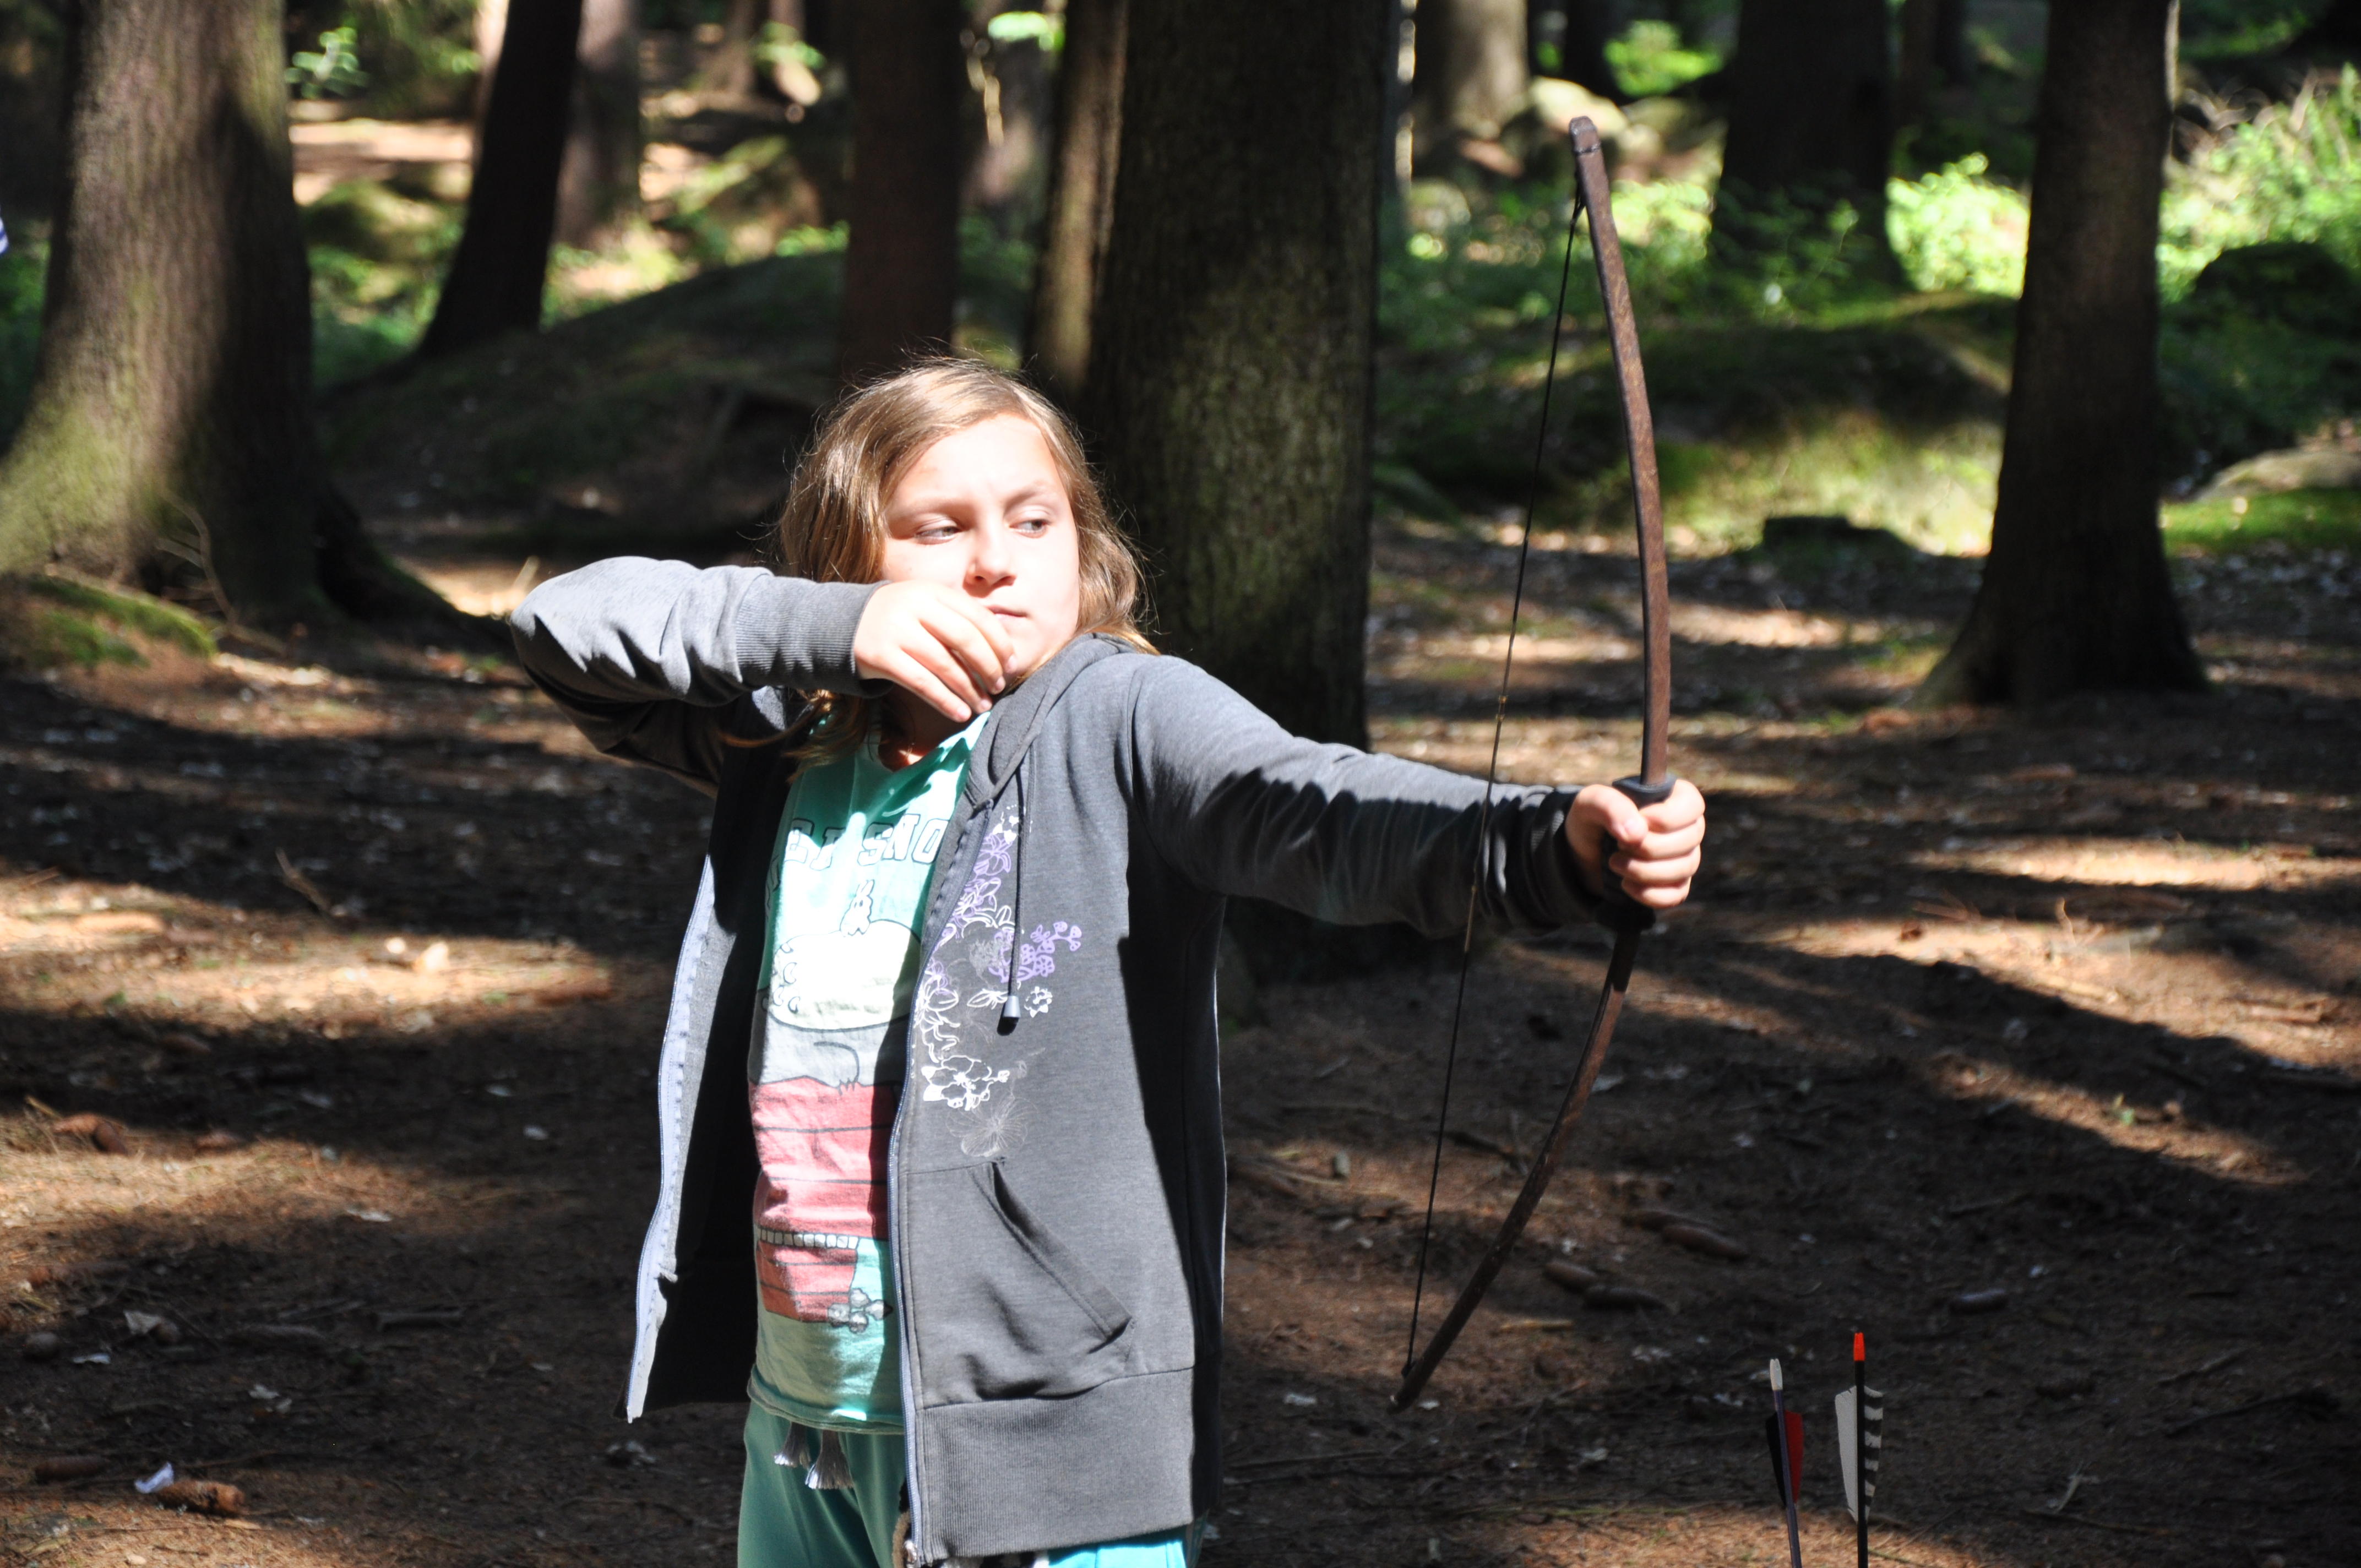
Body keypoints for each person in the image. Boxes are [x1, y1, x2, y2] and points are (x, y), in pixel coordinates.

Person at [510, 360, 1706, 1568]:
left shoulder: (1122, 715)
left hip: (1052, 1443)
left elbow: (1309, 806)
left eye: (1034, 521)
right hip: (807, 1417)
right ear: (849, 558)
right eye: (939, 529)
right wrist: (831, 630)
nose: (996, 561)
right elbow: (561, 626)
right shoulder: (797, 734)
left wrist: (1548, 844)